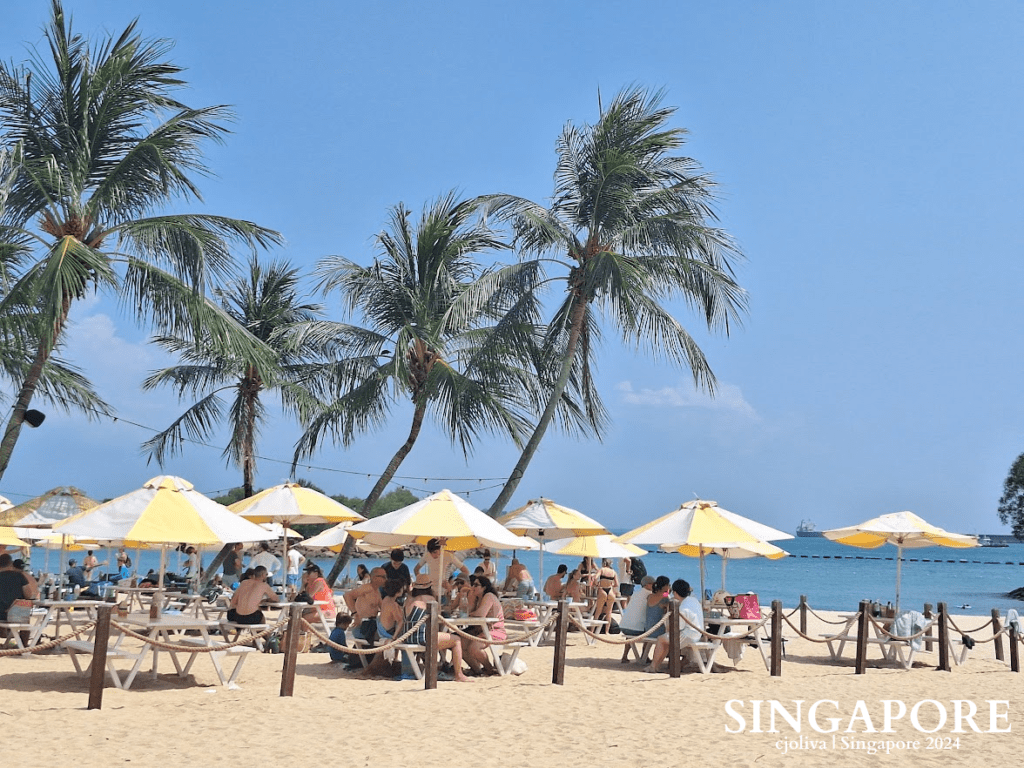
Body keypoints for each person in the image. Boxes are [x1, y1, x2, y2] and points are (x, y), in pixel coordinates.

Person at [404, 573, 469, 682]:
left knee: (440, 635)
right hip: (423, 638)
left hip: (408, 636)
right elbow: (437, 619)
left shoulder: (408, 600)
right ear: (429, 587)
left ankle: (441, 663)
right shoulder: (430, 599)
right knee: (457, 640)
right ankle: (459, 674)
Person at [645, 579, 704, 673]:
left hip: (689, 634)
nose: (668, 588)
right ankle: (656, 666)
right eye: (667, 585)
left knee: (662, 639)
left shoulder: (655, 595)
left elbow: (678, 627)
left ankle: (654, 666)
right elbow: (666, 596)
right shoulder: (694, 600)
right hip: (697, 633)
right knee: (665, 640)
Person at [458, 575, 505, 676]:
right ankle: (477, 670)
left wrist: (470, 613)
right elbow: (467, 611)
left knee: (474, 647)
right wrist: (467, 596)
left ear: (484, 587)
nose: (473, 587)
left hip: (495, 631)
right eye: (472, 584)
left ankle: (489, 669)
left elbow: (480, 614)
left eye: (476, 585)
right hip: (482, 630)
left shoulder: (489, 596)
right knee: (459, 644)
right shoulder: (478, 598)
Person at [0, 554, 37, 647]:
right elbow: (28, 595)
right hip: (15, 615)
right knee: (25, 619)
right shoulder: (19, 576)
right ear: (11, 563)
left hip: (0, 613)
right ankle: (23, 646)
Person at [344, 567, 386, 643]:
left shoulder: (377, 591)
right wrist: (355, 614)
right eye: (383, 577)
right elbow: (347, 595)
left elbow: (383, 608)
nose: (385, 579)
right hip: (363, 626)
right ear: (373, 577)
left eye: (385, 576)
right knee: (386, 639)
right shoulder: (367, 588)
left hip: (372, 625)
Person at [593, 559, 619, 633]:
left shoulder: (602, 570)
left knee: (598, 611)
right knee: (609, 612)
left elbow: (595, 577)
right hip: (610, 591)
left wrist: (597, 584)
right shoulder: (613, 572)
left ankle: (592, 630)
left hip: (602, 590)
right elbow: (617, 584)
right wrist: (611, 584)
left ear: (603, 563)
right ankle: (607, 631)